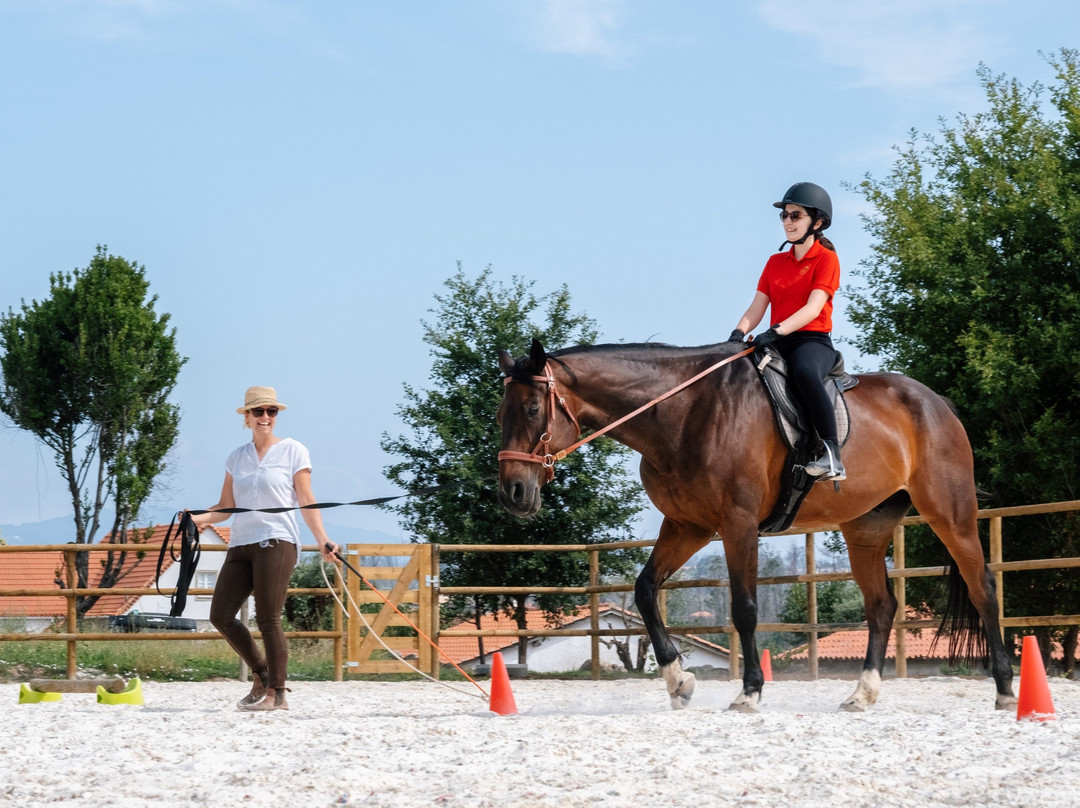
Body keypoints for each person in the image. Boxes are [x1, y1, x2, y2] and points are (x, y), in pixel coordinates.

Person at [192, 386, 340, 711]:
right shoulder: (236, 457)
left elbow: (306, 499)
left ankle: (278, 695)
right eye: (258, 411)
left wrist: (322, 538)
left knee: (269, 619)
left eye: (271, 411)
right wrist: (198, 519)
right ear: (246, 417)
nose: (265, 417)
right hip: (241, 543)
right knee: (220, 615)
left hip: (277, 540)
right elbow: (226, 507)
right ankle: (262, 673)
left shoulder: (293, 451)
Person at [728, 182, 846, 481]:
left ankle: (832, 455)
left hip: (811, 340)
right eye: (785, 216)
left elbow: (813, 308)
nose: (788, 222)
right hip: (777, 340)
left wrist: (776, 331)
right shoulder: (774, 262)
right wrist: (738, 333)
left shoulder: (826, 259)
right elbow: (756, 308)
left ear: (816, 223)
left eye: (796, 216)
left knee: (805, 373)